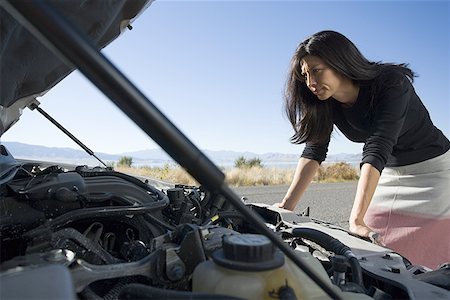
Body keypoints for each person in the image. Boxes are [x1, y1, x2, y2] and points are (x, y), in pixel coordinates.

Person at [276, 30, 450, 269]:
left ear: (340, 61)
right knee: (374, 241)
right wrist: (287, 206)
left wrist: (356, 218)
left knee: (431, 250)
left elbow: (378, 145)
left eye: (316, 71)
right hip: (390, 170)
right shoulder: (325, 102)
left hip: (435, 172)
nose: (310, 83)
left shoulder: (391, 83)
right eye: (305, 75)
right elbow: (314, 151)